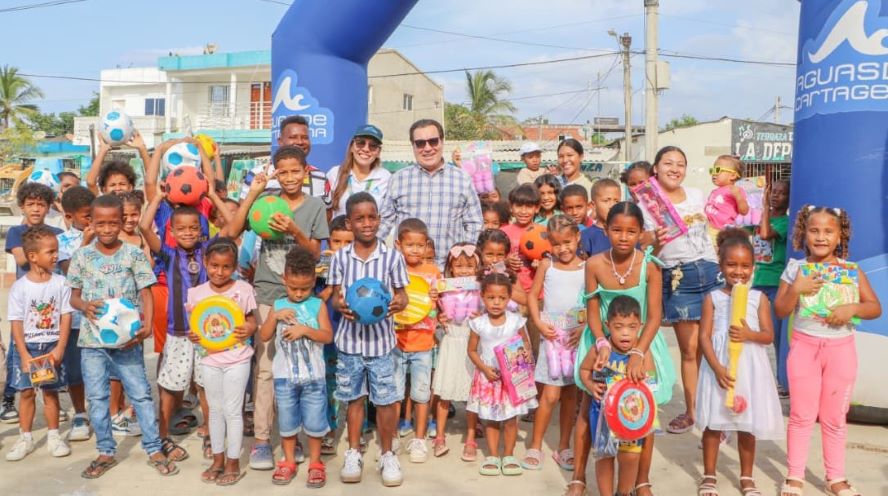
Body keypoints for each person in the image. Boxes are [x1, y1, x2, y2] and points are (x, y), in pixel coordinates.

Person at [227, 145, 330, 470]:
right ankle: (261, 441)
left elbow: (315, 254)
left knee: (298, 369)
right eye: (282, 172)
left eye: (295, 171)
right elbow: (231, 232)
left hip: (303, 297)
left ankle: (292, 437)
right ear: (275, 173)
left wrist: (294, 230)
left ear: (306, 172)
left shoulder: (315, 206)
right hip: (268, 294)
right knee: (267, 369)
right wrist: (254, 192)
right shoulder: (266, 202)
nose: (289, 178)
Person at [567, 202, 676, 496]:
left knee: (644, 411)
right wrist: (602, 343)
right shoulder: (594, 264)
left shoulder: (650, 265)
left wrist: (639, 353)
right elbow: (592, 312)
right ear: (606, 230)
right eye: (617, 230)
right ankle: (578, 477)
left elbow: (654, 316)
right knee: (589, 407)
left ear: (641, 233)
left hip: (643, 342)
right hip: (601, 340)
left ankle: (641, 481)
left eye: (631, 231)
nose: (624, 237)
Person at [66, 194, 177, 478]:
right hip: (92, 342)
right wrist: (84, 306)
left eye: (113, 223)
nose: (107, 229)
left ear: (122, 222)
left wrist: (147, 325)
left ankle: (153, 448)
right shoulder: (82, 256)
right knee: (97, 397)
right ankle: (105, 450)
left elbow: (146, 292)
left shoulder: (133, 254)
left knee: (140, 394)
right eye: (100, 223)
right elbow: (74, 297)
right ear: (91, 223)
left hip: (128, 341)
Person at [774, 206, 881, 496]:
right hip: (804, 348)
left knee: (834, 417)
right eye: (814, 230)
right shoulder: (795, 269)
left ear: (839, 236)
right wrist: (796, 289)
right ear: (803, 234)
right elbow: (780, 310)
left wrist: (852, 308)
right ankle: (795, 475)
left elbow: (874, 307)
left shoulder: (851, 270)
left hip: (840, 351)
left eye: (828, 231)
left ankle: (835, 477)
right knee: (801, 415)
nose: (821, 237)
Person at [140, 188, 233, 463]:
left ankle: (211, 434)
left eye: (194, 227)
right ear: (171, 231)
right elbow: (144, 227)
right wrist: (158, 198)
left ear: (202, 230)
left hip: (208, 333)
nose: (188, 232)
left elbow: (231, 223)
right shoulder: (168, 254)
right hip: (178, 332)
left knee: (206, 386)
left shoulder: (208, 251)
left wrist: (213, 196)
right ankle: (163, 435)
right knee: (171, 385)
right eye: (181, 228)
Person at [328, 192, 408, 487]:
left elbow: (403, 295)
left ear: (379, 219)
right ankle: (353, 452)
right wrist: (340, 305)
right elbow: (335, 297)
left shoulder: (392, 257)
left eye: (372, 217)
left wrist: (399, 302)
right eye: (359, 218)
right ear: (349, 223)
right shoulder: (340, 258)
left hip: (381, 344)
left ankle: (387, 454)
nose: (367, 223)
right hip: (349, 343)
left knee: (385, 401)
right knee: (354, 398)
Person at [696, 228, 783, 496]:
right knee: (714, 423)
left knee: (747, 425)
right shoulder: (713, 298)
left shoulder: (759, 299)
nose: (739, 271)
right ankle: (709, 475)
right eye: (732, 265)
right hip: (720, 369)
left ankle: (746, 477)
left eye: (745, 266)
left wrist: (749, 335)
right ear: (721, 266)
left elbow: (768, 336)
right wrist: (716, 368)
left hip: (749, 369)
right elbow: (704, 337)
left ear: (753, 267)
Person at [644, 146, 721, 435]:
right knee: (690, 350)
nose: (675, 169)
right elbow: (647, 248)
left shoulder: (697, 195)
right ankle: (693, 412)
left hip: (711, 271)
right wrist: (654, 239)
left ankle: (719, 413)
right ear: (655, 168)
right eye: (668, 163)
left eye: (680, 164)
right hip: (679, 276)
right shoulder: (646, 203)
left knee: (715, 346)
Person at [260, 246, 333, 488]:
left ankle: (316, 462)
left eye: (305, 288)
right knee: (287, 421)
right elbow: (264, 335)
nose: (299, 294)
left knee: (315, 422)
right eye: (293, 288)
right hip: (285, 377)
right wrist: (274, 316)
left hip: (314, 378)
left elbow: (327, 336)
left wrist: (305, 330)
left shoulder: (318, 305)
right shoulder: (278, 304)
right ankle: (288, 460)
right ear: (284, 279)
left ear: (313, 281)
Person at [188, 237, 257, 486]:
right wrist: (193, 336)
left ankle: (233, 462)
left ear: (235, 266)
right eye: (214, 265)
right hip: (210, 358)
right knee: (215, 410)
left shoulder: (244, 289)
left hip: (238, 358)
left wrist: (249, 328)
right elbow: (196, 326)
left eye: (226, 266)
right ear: (205, 262)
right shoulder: (196, 293)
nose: (220, 271)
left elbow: (252, 320)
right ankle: (217, 460)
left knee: (233, 410)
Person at [5, 226, 73, 461]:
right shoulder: (20, 287)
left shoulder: (61, 283)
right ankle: (25, 438)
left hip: (51, 346)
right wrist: (23, 354)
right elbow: (16, 323)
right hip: (28, 348)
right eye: (50, 251)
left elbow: (66, 316)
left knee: (50, 393)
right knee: (26, 393)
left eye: (56, 250)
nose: (56, 255)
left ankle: (54, 436)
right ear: (33, 256)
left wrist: (60, 347)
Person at [578, 295, 655, 496]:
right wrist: (590, 385)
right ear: (608, 325)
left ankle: (623, 492)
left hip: (631, 418)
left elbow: (652, 380)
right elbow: (584, 370)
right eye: (618, 327)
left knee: (630, 456)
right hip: (602, 416)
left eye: (632, 327)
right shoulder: (600, 350)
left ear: (640, 326)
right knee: (604, 456)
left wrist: (644, 379)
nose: (625, 333)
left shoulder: (641, 353)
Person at [379, 119, 483, 267]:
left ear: (442, 142)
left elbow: (474, 223)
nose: (427, 148)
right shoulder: (398, 179)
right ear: (413, 146)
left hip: (447, 272)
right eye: (420, 143)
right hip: (406, 271)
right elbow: (384, 222)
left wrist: (463, 259)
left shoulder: (463, 179)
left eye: (433, 141)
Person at [524, 215, 583, 471]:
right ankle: (535, 445)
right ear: (549, 243)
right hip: (551, 338)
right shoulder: (547, 266)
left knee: (570, 395)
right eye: (557, 244)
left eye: (567, 242)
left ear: (577, 237)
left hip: (576, 339)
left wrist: (584, 327)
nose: (563, 249)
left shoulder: (588, 267)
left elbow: (593, 301)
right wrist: (538, 322)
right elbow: (532, 296)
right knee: (549, 395)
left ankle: (564, 446)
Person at [3, 182, 63, 422]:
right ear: (22, 207)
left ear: (49, 207)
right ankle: (9, 398)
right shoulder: (16, 232)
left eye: (41, 204)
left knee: (51, 351)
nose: (36, 209)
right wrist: (42, 249)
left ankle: (52, 402)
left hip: (51, 302)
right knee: (17, 354)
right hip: (25, 306)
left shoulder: (56, 233)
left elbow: (65, 256)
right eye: (30, 204)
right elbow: (21, 259)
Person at [467, 272, 538, 476]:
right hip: (489, 378)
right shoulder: (478, 323)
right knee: (490, 418)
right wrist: (484, 369)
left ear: (509, 298)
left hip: (512, 380)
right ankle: (492, 456)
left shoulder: (516, 321)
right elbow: (472, 351)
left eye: (502, 298)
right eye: (491, 297)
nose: (496, 302)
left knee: (510, 419)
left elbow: (526, 344)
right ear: (483, 297)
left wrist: (524, 358)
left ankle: (508, 455)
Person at [392, 218, 440, 464]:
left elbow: (440, 305)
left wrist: (437, 297)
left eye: (420, 245)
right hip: (395, 342)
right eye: (409, 245)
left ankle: (419, 439)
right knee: (394, 394)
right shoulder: (392, 269)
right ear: (398, 244)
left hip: (423, 343)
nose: (415, 250)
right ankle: (391, 439)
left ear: (427, 245)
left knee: (421, 394)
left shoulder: (433, 272)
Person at [433, 242, 481, 459]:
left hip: (472, 346)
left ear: (477, 268)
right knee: (445, 394)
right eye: (459, 266)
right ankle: (439, 436)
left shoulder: (481, 290)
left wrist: (481, 316)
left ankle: (470, 438)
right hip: (451, 343)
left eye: (469, 266)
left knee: (472, 394)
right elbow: (432, 314)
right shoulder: (443, 289)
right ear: (450, 268)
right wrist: (438, 315)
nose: (464, 271)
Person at [56, 186, 97, 443]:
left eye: (93, 214)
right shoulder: (62, 242)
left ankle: (110, 412)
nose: (91, 220)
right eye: (86, 216)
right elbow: (70, 271)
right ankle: (80, 413)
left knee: (104, 367)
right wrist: (84, 244)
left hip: (98, 316)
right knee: (75, 370)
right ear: (69, 217)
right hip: (73, 318)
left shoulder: (103, 235)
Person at [749, 178, 791, 394]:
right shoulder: (759, 219)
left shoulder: (785, 222)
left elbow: (765, 234)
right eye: (773, 191)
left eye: (782, 193)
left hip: (775, 284)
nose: (776, 196)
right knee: (751, 331)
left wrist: (764, 207)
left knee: (775, 335)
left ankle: (782, 380)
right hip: (758, 282)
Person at [327, 124, 390, 220]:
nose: (366, 149)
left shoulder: (385, 178)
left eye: (373, 146)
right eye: (361, 143)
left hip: (373, 230)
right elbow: (326, 212)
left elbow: (387, 216)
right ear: (352, 147)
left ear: (378, 152)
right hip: (340, 229)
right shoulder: (335, 173)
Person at [501, 184, 541, 293]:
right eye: (519, 206)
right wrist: (506, 262)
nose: (523, 211)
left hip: (537, 291)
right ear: (511, 207)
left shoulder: (543, 233)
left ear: (537, 208)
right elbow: (492, 264)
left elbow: (551, 263)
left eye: (529, 206)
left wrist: (540, 266)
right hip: (510, 291)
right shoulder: (502, 232)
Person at [704, 155, 749, 244]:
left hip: (722, 231)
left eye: (718, 170)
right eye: (712, 170)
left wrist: (738, 196)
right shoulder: (715, 191)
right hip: (709, 228)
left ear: (732, 175)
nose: (714, 173)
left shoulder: (735, 190)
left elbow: (744, 211)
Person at [86, 130, 147, 195]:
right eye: (112, 185)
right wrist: (102, 150)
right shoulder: (101, 201)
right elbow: (90, 182)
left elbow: (151, 182)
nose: (117, 188)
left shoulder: (137, 200)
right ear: (104, 189)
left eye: (122, 184)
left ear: (130, 187)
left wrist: (142, 148)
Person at [581, 179, 621, 257]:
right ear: (593, 205)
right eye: (606, 201)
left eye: (616, 201)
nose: (612, 206)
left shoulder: (626, 233)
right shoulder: (585, 236)